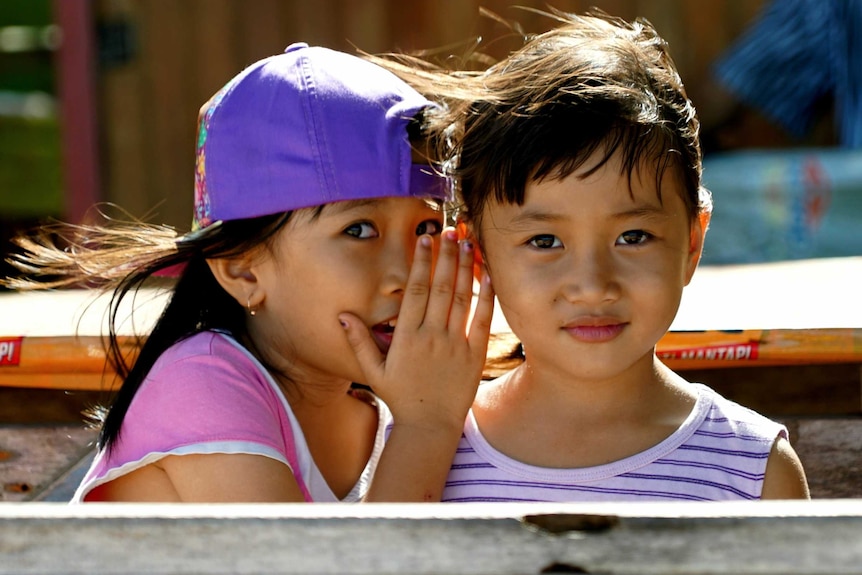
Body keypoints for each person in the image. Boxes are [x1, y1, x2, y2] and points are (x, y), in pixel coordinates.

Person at [3, 43, 494, 503]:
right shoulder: (202, 380)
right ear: (242, 271)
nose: (408, 272)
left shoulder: (392, 404)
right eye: (360, 229)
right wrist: (426, 427)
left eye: (428, 226)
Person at [375, 9, 810, 501]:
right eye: (545, 242)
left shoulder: (752, 468)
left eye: (634, 237)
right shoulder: (426, 447)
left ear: (692, 241)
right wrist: (423, 434)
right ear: (479, 254)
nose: (593, 284)